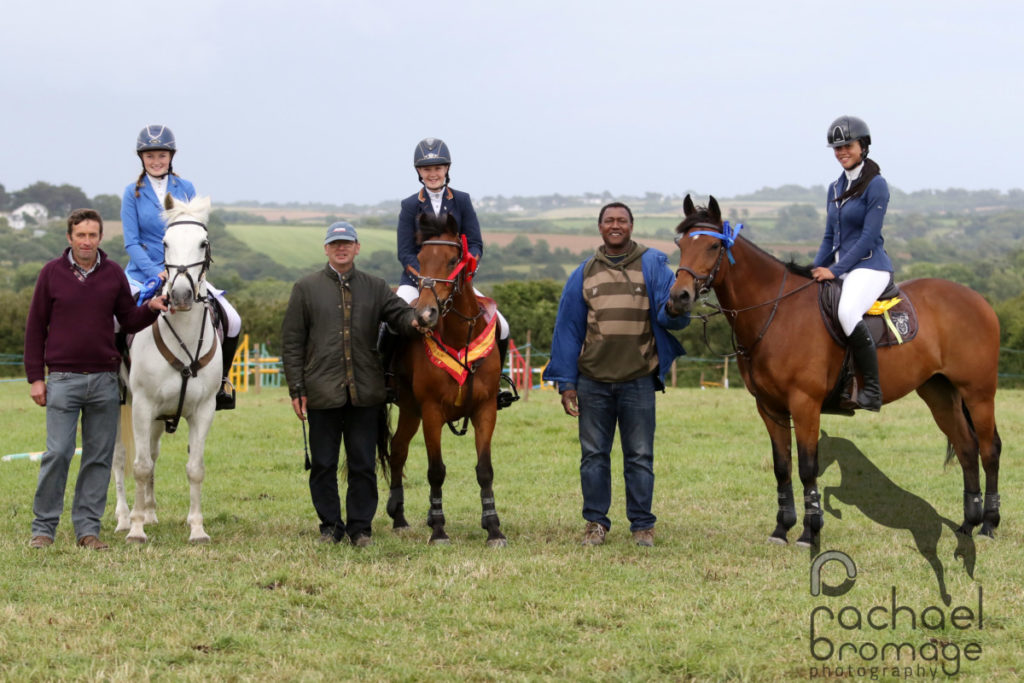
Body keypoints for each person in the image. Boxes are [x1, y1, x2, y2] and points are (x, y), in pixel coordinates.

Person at [544, 202, 689, 547]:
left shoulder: (653, 264)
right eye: (609, 220)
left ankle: (642, 526)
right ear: (599, 227)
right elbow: (568, 330)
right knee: (593, 457)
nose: (615, 225)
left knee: (639, 456)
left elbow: (673, 317)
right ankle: (596, 524)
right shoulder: (583, 273)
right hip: (592, 381)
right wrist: (566, 384)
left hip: (638, 379)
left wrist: (673, 308)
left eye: (621, 220)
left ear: (631, 226)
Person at [24, 208, 168, 550]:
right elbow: (34, 327)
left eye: (92, 235)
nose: (86, 241)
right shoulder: (51, 274)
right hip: (62, 378)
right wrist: (35, 377)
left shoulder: (114, 274)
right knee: (57, 453)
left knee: (99, 457)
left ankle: (88, 531)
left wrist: (150, 309)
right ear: (69, 238)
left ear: (100, 238)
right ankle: (43, 529)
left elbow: (128, 321)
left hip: (105, 380)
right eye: (80, 235)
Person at [282, 222, 426, 547]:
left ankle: (361, 529)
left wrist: (416, 320)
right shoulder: (305, 288)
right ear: (326, 249)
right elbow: (292, 343)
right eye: (335, 244)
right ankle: (330, 527)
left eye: (347, 243)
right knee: (323, 465)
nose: (341, 248)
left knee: (363, 464)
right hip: (320, 392)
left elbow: (399, 316)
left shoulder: (376, 287)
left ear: (357, 248)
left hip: (366, 393)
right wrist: (296, 389)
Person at [121, 124, 242, 410]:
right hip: (142, 273)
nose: (156, 160)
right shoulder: (132, 193)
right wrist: (155, 272)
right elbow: (131, 242)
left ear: (171, 156)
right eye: (150, 156)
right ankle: (116, 379)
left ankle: (221, 383)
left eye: (161, 154)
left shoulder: (186, 188)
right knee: (114, 319)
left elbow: (194, 232)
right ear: (142, 158)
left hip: (185, 271)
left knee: (233, 319)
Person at [393, 137, 516, 408]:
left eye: (438, 167)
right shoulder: (409, 205)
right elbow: (405, 252)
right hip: (417, 282)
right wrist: (424, 279)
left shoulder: (461, 200)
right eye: (426, 169)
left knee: (502, 325)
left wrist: (469, 265)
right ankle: (389, 381)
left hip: (455, 282)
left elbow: (475, 242)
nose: (433, 173)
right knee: (388, 323)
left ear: (447, 168)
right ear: (418, 172)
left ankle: (495, 385)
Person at [811, 115, 893, 412]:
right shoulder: (834, 187)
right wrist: (809, 269)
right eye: (836, 148)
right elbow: (829, 236)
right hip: (843, 267)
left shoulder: (876, 185)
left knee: (846, 311)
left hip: (870, 266)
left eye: (847, 145)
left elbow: (868, 237)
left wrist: (832, 270)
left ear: (863, 146)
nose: (842, 151)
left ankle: (871, 389)